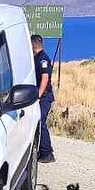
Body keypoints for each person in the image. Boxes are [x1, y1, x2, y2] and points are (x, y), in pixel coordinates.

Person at [32, 34, 56, 163]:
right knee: (37, 122)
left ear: (33, 45)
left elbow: (45, 79)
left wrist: (38, 96)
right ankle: (41, 151)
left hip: (45, 97)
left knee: (41, 122)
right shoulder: (36, 58)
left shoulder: (43, 59)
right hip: (40, 96)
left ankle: (47, 153)